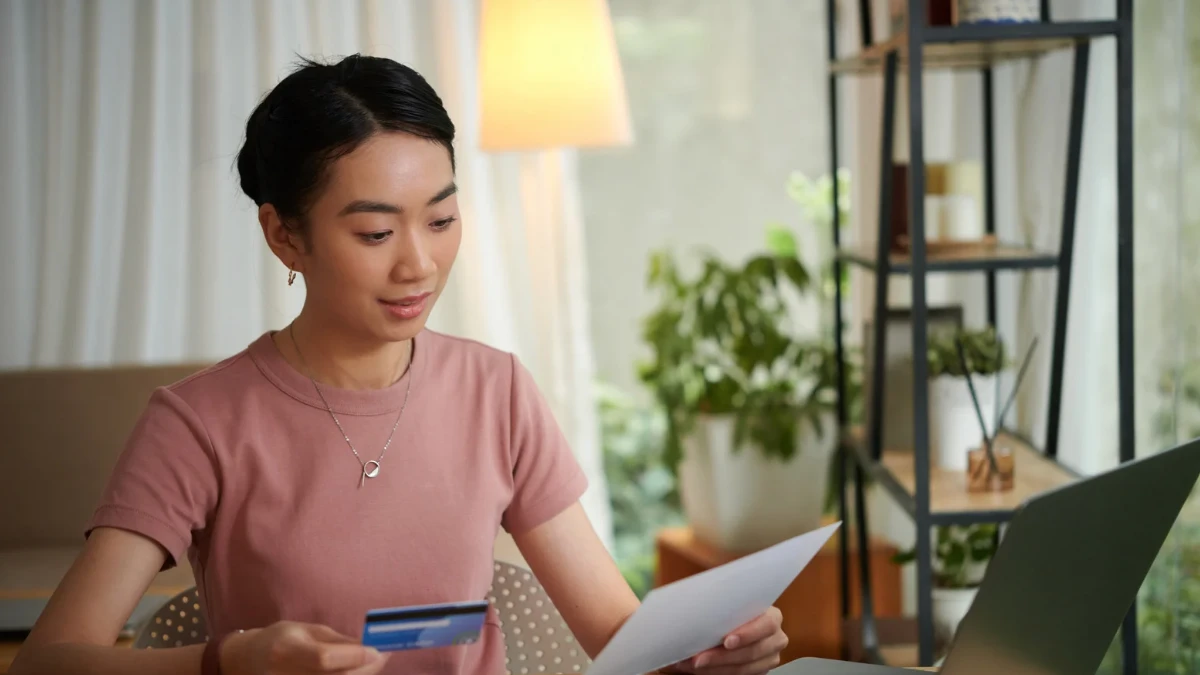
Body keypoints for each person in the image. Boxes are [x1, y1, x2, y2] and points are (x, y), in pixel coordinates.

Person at [10, 55, 788, 675]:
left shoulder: (497, 390)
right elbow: (47, 660)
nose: (420, 264)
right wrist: (228, 660)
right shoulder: (199, 423)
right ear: (284, 235)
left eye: (443, 219)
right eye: (376, 234)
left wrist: (709, 652)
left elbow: (620, 638)